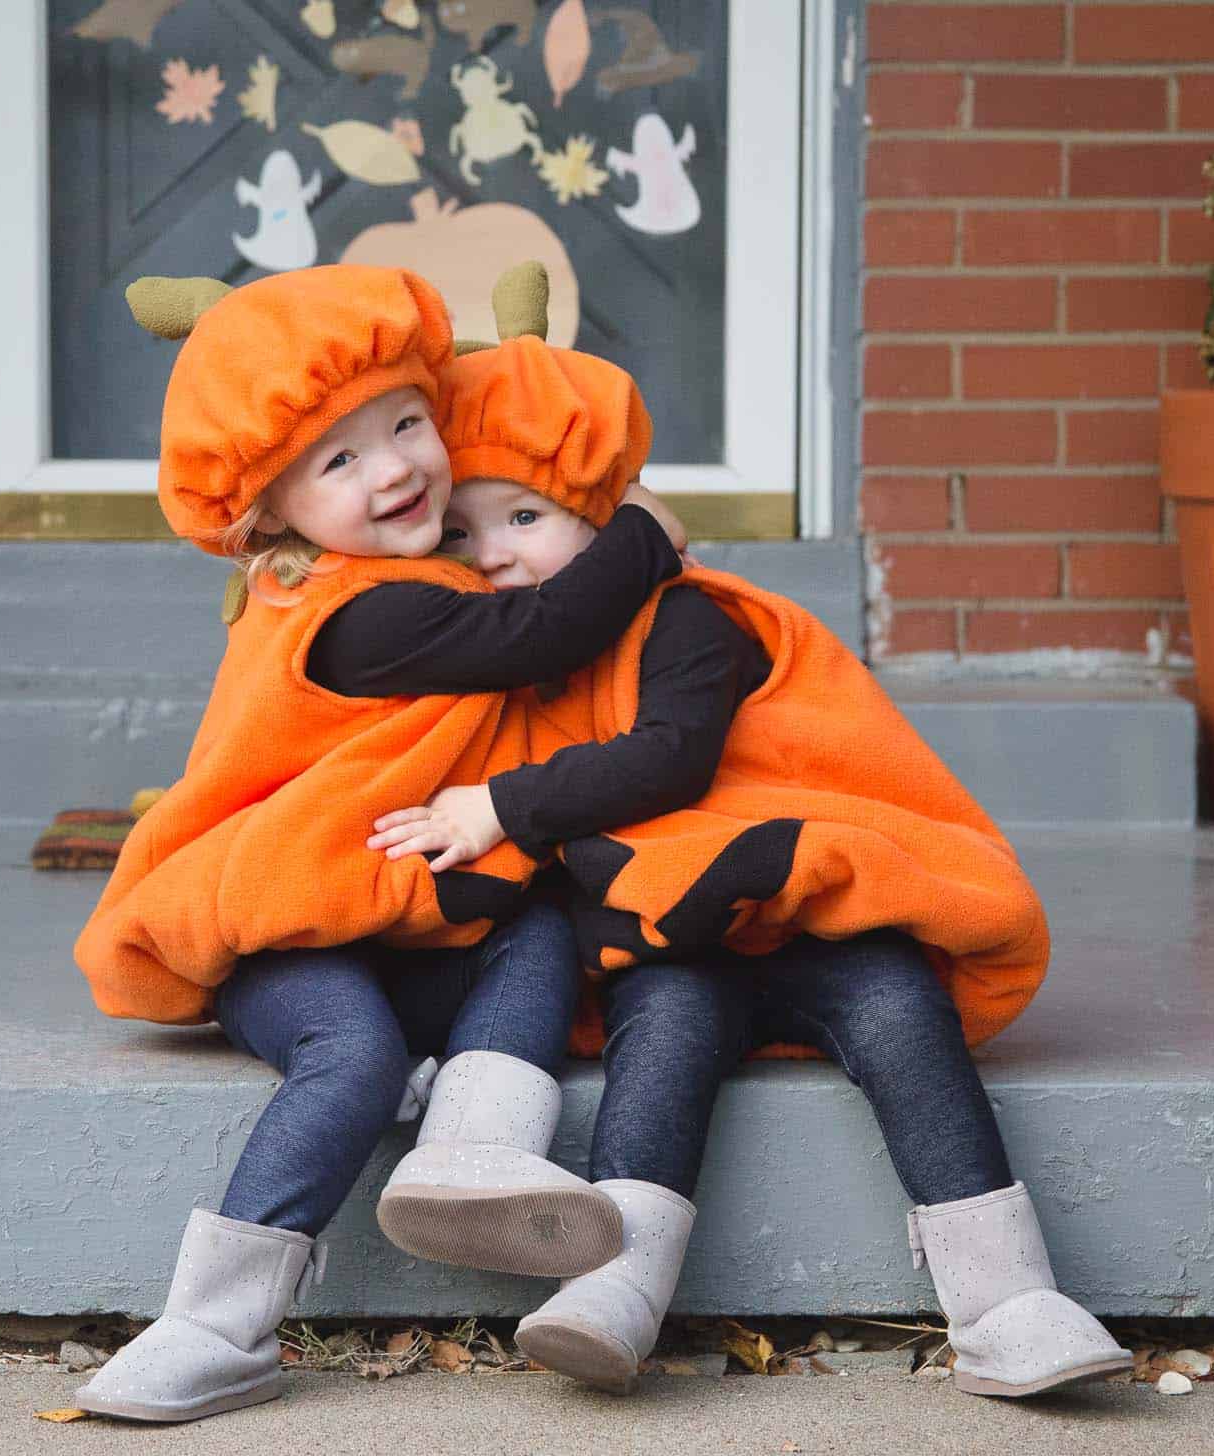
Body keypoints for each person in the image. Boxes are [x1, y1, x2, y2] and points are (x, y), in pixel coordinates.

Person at [371, 268, 1131, 1401]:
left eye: (525, 518)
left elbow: (670, 757)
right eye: (468, 534)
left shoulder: (685, 620)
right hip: (679, 940)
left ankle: (1005, 1296)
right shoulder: (514, 676)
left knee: (899, 1013)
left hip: (812, 908)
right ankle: (615, 1285)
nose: (494, 556)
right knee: (663, 1033)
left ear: (604, 512)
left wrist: (502, 808)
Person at [70, 265, 688, 1423]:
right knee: (347, 1055)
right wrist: (644, 528)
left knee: (533, 926)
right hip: (277, 939)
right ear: (268, 508)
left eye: (407, 423)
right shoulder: (365, 612)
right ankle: (218, 1321)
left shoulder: (398, 569)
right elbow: (547, 625)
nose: (398, 465)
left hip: (386, 913)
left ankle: (476, 1143)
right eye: (339, 460)